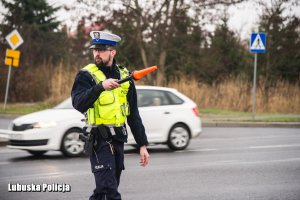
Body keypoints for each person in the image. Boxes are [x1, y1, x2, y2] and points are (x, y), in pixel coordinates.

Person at [71, 31, 150, 200]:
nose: (96, 53)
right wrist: (100, 87)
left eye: (101, 50)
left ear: (112, 52)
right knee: (109, 192)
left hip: (118, 140)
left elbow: (133, 113)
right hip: (99, 141)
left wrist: (142, 144)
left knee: (103, 192)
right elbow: (78, 103)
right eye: (94, 50)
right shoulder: (86, 75)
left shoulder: (124, 76)